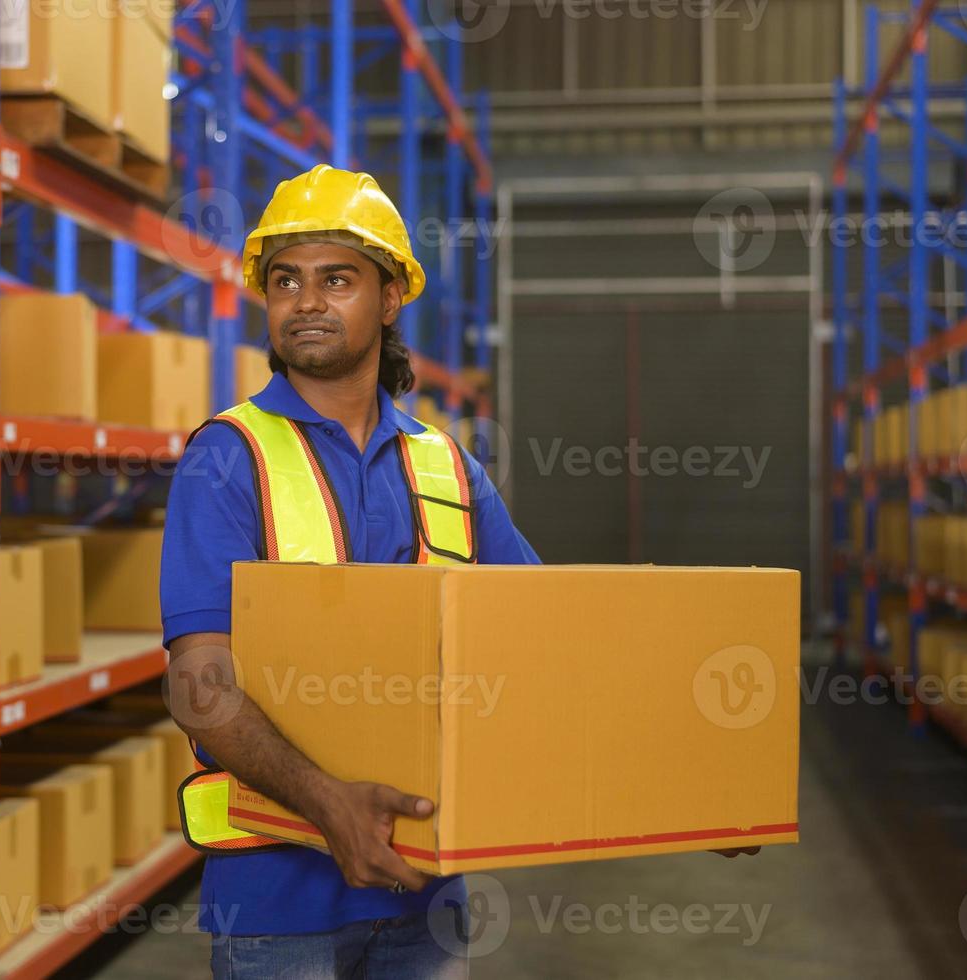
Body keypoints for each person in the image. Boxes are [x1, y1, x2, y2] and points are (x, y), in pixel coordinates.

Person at [159, 165, 746, 978]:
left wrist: (679, 790)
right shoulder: (228, 460)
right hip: (277, 902)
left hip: (425, 898)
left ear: (391, 296)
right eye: (284, 280)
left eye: (337, 279)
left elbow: (553, 645)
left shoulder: (446, 470)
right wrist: (329, 806)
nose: (305, 302)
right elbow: (198, 683)